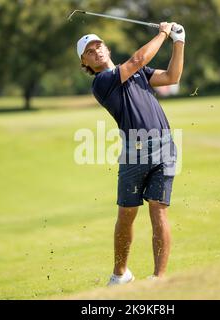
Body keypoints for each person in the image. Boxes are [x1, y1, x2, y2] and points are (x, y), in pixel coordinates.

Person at [76, 22, 185, 286]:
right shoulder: (102, 82)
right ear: (86, 63)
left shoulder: (138, 73)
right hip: (134, 151)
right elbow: (137, 59)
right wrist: (162, 33)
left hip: (164, 145)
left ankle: (159, 278)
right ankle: (120, 274)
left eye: (98, 46)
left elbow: (172, 77)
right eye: (89, 52)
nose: (96, 51)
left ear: (107, 47)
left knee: (159, 212)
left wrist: (179, 42)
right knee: (127, 214)